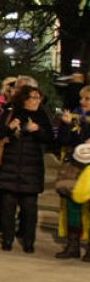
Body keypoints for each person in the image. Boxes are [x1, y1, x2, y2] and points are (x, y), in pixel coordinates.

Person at [0, 85, 53, 253]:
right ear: (24, 99)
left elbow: (50, 139)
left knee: (29, 208)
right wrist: (9, 127)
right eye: (33, 97)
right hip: (9, 167)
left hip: (31, 169)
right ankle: (7, 239)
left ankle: (29, 241)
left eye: (39, 98)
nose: (37, 101)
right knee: (7, 207)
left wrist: (38, 130)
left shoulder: (42, 116)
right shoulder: (10, 113)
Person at [55, 85, 90, 260]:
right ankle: (73, 245)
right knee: (72, 205)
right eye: (81, 98)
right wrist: (67, 125)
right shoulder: (75, 117)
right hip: (75, 166)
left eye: (87, 99)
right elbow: (63, 140)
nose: (82, 102)